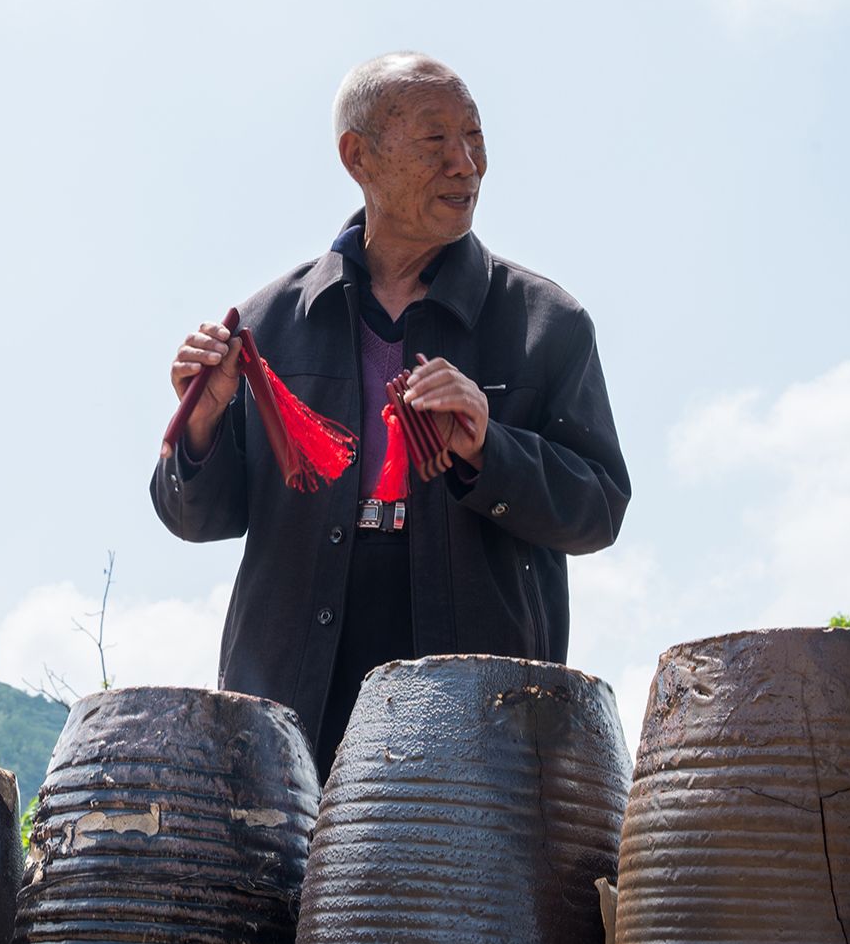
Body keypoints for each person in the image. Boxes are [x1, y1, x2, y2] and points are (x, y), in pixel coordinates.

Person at [150, 51, 629, 783]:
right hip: (292, 697)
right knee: (294, 895)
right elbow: (195, 518)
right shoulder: (270, 323)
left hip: (479, 703)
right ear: (358, 156)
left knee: (453, 892)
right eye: (436, 141)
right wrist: (205, 424)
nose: (466, 164)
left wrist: (489, 449)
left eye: (475, 138)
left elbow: (598, 509)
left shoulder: (546, 323)